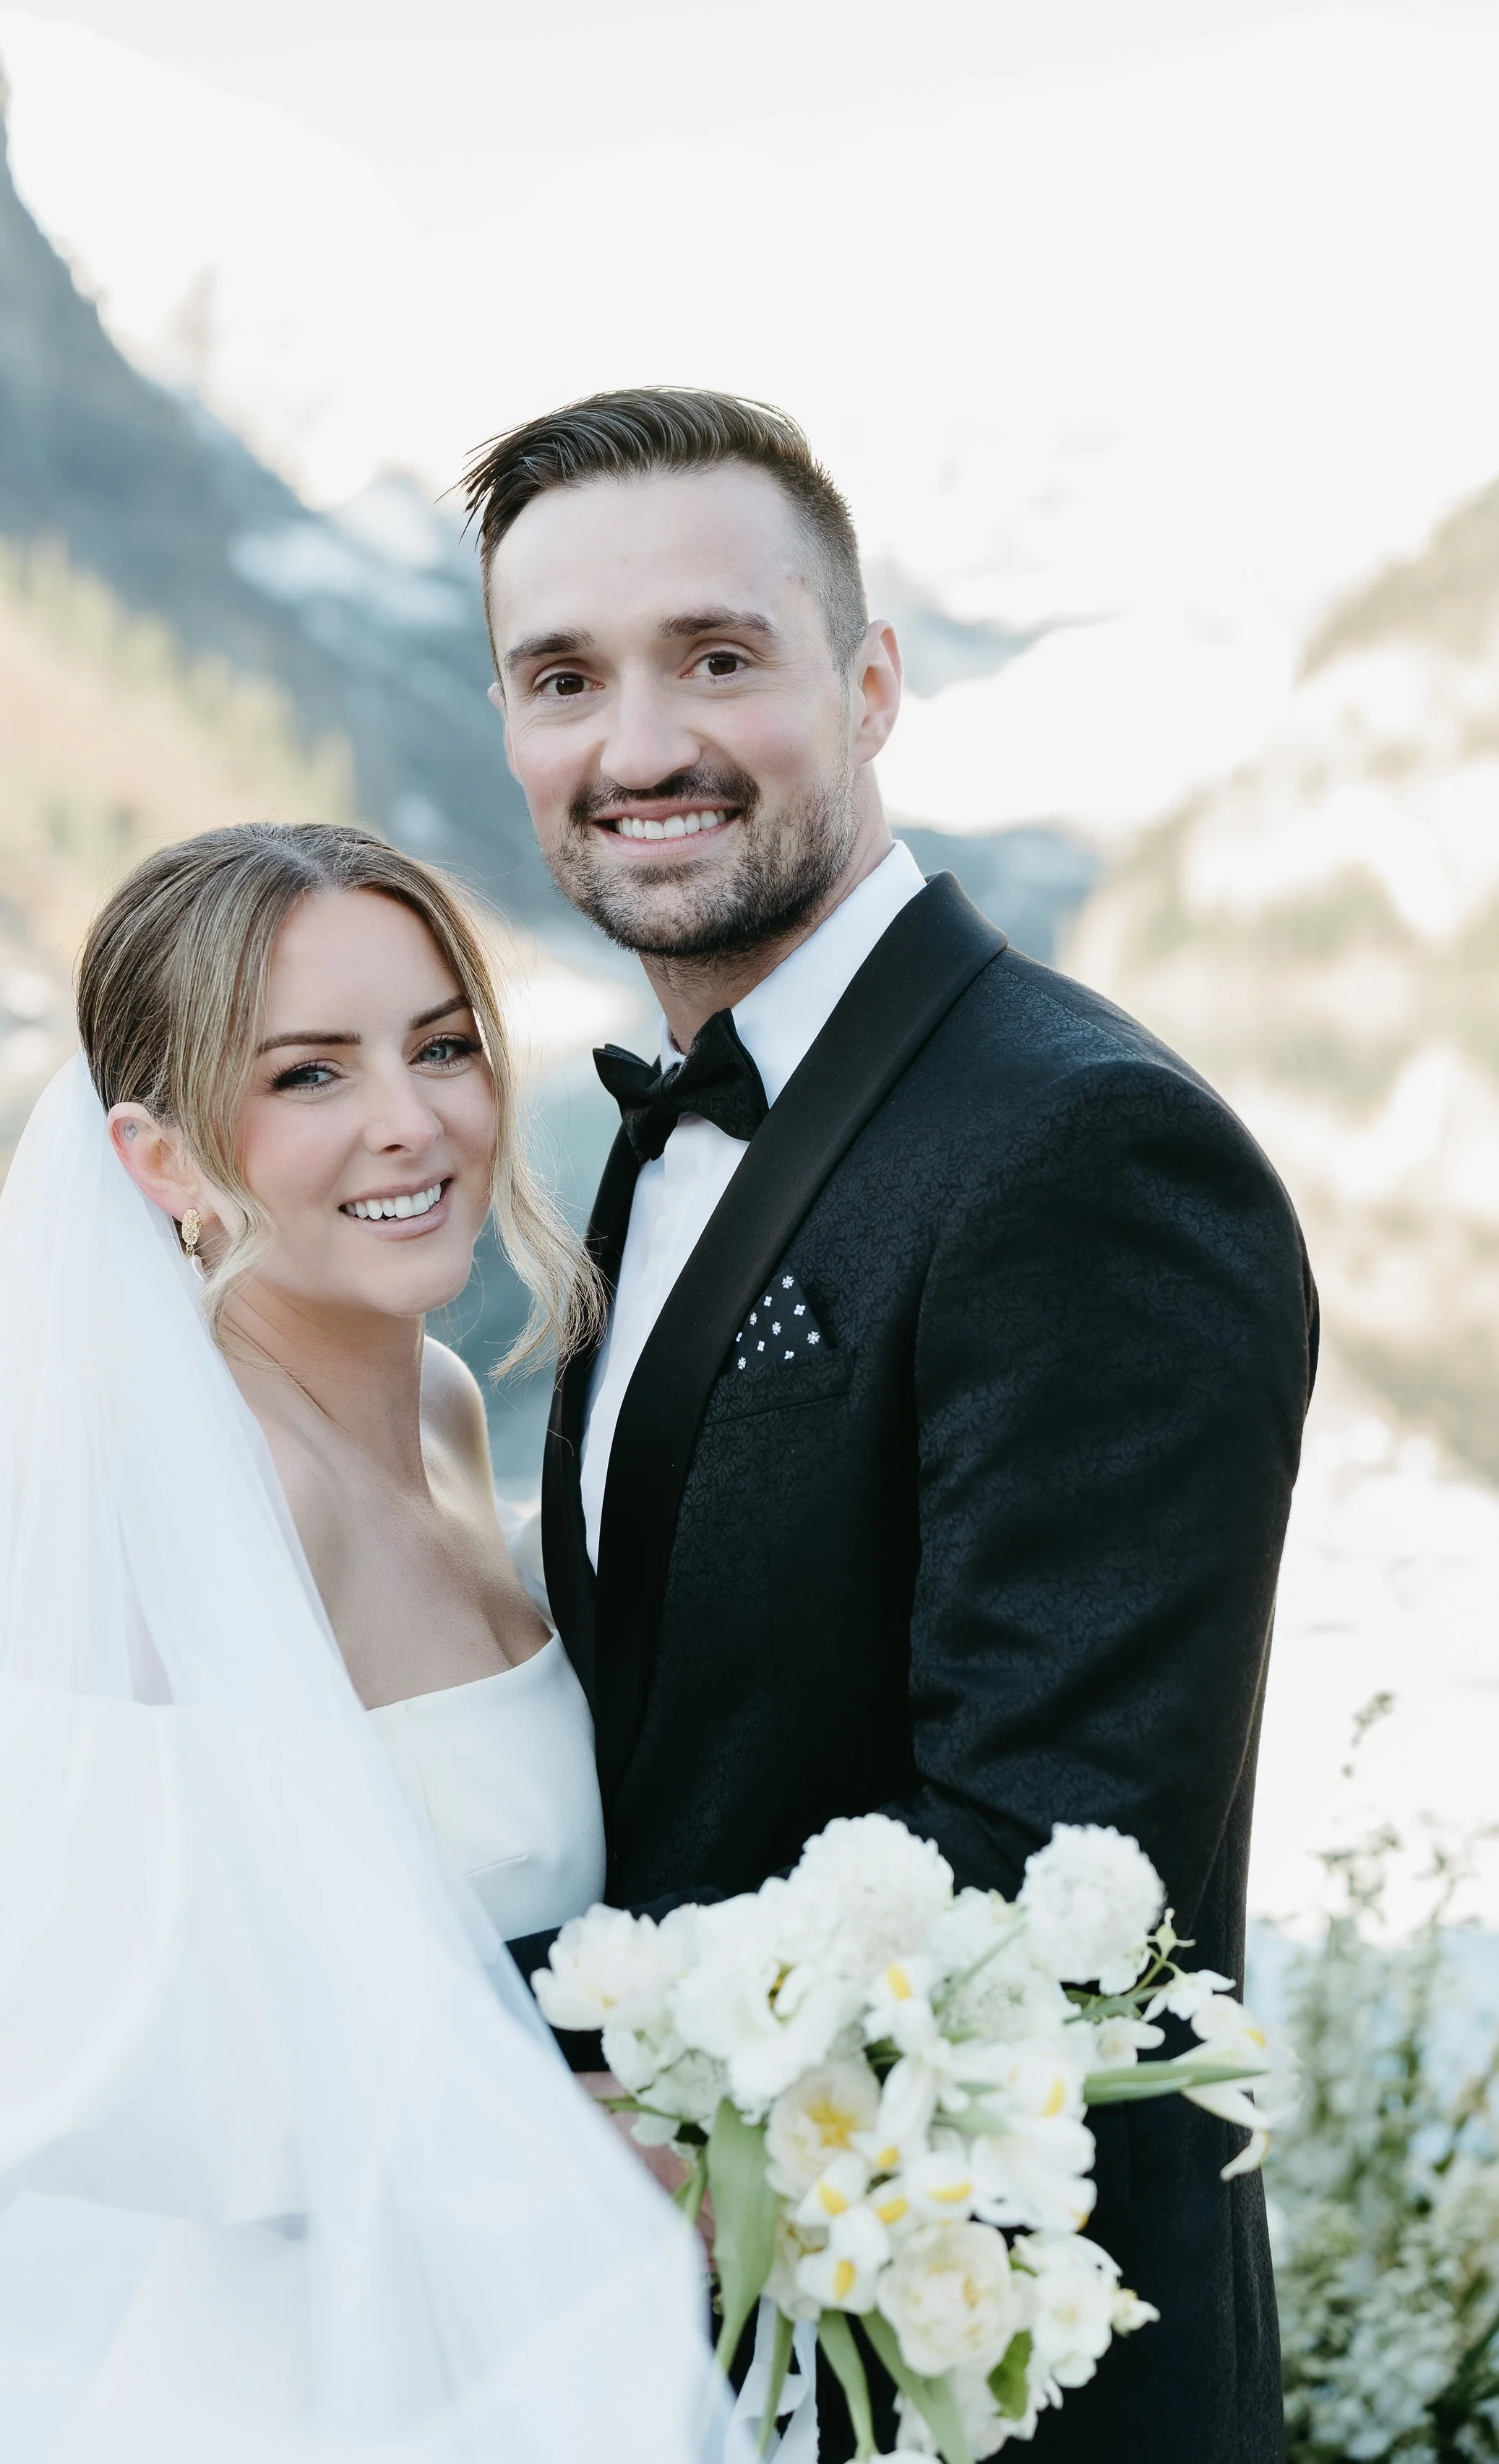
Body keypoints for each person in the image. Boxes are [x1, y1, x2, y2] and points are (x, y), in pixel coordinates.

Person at [466, 388, 1318, 2464]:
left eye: (716, 656)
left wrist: (475, 2038)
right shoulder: (678, 1127)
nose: (637, 744)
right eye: (563, 677)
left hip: (992, 2371)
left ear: (866, 686)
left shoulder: (1082, 1148)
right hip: (701, 2343)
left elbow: (1052, 1866)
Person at [0, 822, 708, 2463]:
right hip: (324, 2383)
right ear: (160, 1162)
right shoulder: (205, 1496)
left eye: (442, 1044)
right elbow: (78, 2047)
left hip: (526, 2333)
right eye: (309, 1074)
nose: (412, 1119)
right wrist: (559, 2135)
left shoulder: (443, 1411)